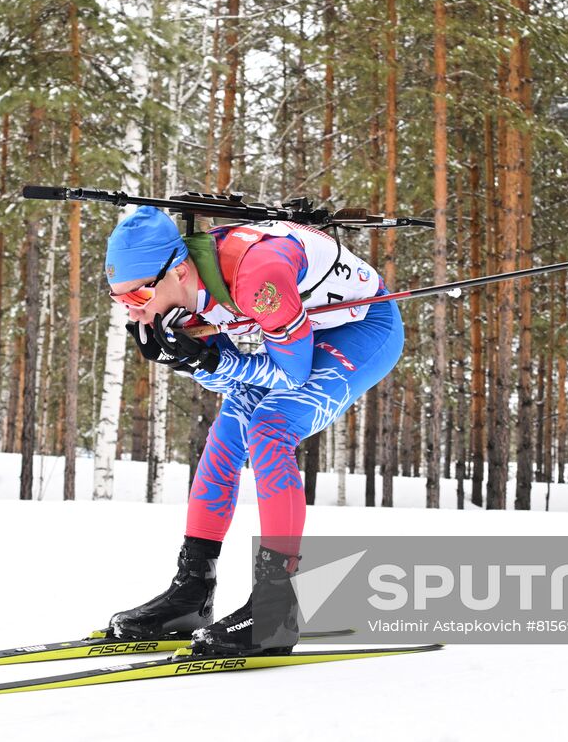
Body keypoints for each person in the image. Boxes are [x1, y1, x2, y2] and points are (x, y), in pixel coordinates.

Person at [104, 205, 404, 656]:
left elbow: (292, 376)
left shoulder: (257, 273)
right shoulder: (176, 294)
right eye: (121, 301)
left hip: (361, 331)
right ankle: (192, 592)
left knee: (269, 428)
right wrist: (189, 360)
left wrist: (211, 359)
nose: (134, 314)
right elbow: (230, 378)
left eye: (139, 299)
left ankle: (276, 607)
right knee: (227, 435)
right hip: (302, 334)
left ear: (178, 271)